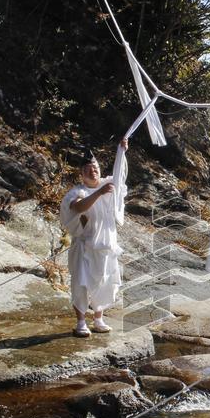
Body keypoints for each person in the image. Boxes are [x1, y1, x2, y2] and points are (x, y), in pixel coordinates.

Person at [59, 138, 128, 337]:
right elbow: (78, 207)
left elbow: (120, 173)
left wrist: (121, 151)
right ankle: (81, 321)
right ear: (82, 174)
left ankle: (98, 318)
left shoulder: (109, 184)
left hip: (107, 245)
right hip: (84, 246)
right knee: (81, 283)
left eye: (95, 167)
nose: (93, 171)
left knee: (105, 281)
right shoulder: (77, 192)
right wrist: (97, 193)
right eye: (88, 169)